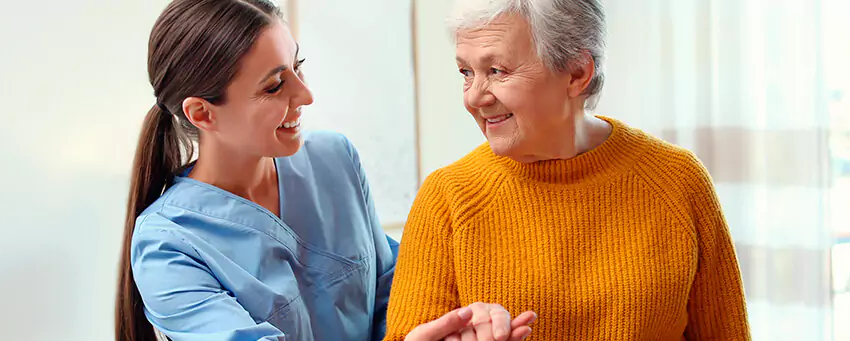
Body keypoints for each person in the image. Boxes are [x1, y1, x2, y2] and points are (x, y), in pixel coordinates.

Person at [113, 1, 535, 340]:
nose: (306, 94)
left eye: (298, 67)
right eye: (274, 86)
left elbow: (394, 292)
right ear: (203, 113)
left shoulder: (335, 160)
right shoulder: (168, 246)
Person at [384, 0, 752, 340]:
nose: (474, 96)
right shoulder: (447, 196)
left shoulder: (677, 180)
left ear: (577, 73)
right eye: (466, 72)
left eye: (496, 71)